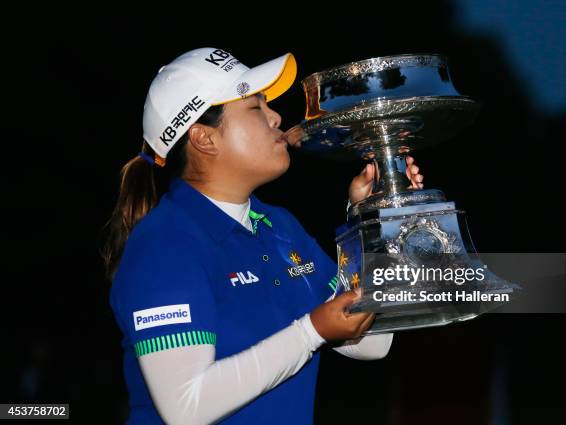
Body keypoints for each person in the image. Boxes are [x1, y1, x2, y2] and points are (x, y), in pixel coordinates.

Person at [101, 47, 424, 425]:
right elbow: (187, 409)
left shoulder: (279, 226)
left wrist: (373, 223)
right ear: (204, 139)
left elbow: (370, 342)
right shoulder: (162, 244)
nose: (276, 117)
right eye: (256, 107)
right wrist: (311, 332)